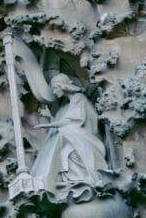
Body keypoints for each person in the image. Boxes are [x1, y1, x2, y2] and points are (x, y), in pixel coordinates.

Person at [31, 74, 109, 202]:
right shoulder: (67, 105)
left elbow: (70, 120)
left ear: (63, 86)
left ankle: (45, 178)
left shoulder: (79, 98)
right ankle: (51, 180)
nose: (55, 93)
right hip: (77, 135)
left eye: (56, 88)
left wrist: (49, 124)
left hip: (86, 136)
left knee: (63, 137)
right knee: (64, 144)